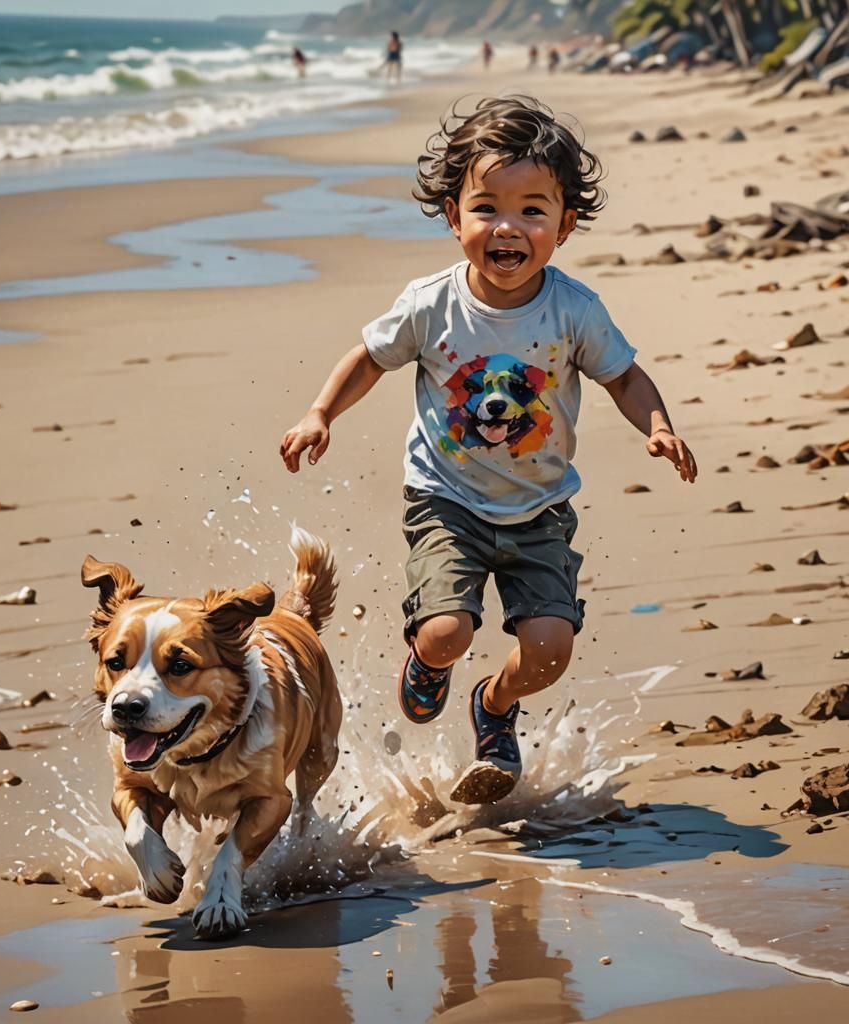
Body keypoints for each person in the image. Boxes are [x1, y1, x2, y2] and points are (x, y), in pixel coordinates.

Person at [279, 96, 697, 804]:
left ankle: (494, 706)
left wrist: (655, 423)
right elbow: (371, 358)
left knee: (550, 650)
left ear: (565, 224)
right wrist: (321, 412)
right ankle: (431, 662)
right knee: (444, 631)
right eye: (487, 208)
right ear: (454, 216)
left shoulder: (574, 311)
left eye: (533, 210)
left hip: (540, 509)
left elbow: (623, 375)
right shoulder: (429, 303)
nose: (509, 227)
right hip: (447, 500)